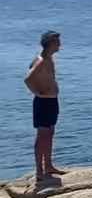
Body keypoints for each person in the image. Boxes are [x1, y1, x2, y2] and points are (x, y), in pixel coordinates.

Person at [24, 31, 66, 181]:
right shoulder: (41, 61)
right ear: (50, 43)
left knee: (50, 133)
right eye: (57, 42)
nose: (60, 45)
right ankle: (39, 171)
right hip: (43, 102)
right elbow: (28, 79)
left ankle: (48, 165)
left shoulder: (49, 59)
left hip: (51, 101)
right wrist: (38, 93)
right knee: (42, 136)